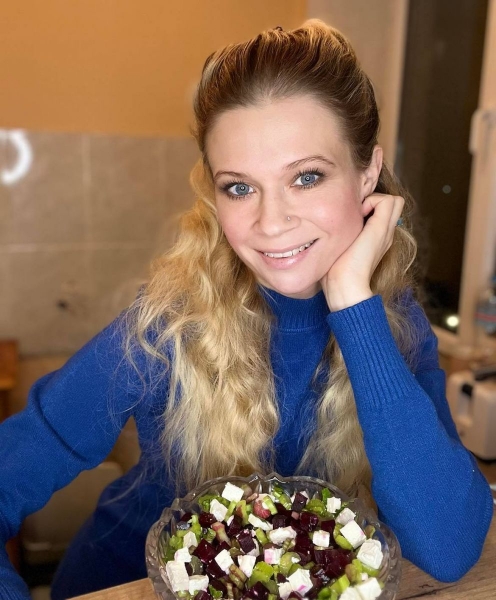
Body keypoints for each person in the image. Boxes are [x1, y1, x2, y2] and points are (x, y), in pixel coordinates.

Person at [0, 19, 492, 600]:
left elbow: (448, 546)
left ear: (367, 175)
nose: (271, 222)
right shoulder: (169, 322)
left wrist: (353, 306)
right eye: (240, 187)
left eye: (306, 177)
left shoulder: (394, 324)